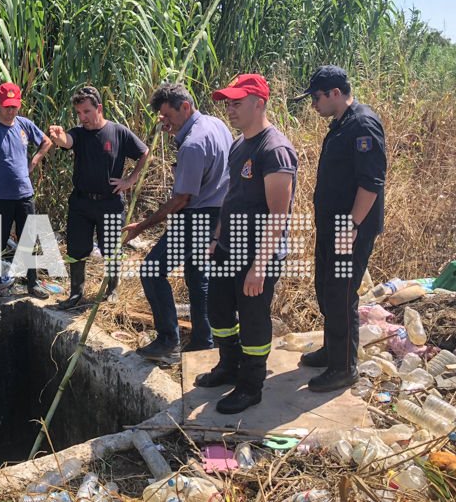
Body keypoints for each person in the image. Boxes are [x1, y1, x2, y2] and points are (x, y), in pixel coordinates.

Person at [195, 74, 298, 414]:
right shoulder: (240, 144)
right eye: (228, 103)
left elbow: (278, 215)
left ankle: (251, 386)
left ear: (260, 103)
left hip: (257, 253)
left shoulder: (275, 150)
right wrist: (216, 237)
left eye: (237, 103)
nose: (230, 109)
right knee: (219, 310)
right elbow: (231, 195)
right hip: (229, 246)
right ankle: (229, 365)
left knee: (253, 318)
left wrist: (259, 267)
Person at [122, 83, 232, 364]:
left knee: (151, 270)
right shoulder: (215, 124)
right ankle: (203, 343)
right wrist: (173, 132)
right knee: (198, 278)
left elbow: (181, 199)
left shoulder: (193, 143)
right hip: (217, 213)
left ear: (185, 106)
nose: (165, 122)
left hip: (196, 216)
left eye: (168, 116)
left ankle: (169, 340)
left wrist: (141, 226)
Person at [293, 65, 387, 391]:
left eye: (316, 97)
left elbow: (371, 184)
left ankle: (344, 368)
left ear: (335, 93)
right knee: (325, 287)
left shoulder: (362, 123)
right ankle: (333, 350)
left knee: (341, 293)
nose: (313, 104)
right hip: (333, 226)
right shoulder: (342, 123)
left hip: (351, 228)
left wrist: (352, 224)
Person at [49, 86, 150, 309]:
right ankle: (76, 294)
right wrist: (59, 137)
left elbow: (144, 152)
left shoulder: (118, 132)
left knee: (112, 248)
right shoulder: (78, 133)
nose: (82, 117)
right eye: (78, 113)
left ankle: (112, 290)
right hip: (81, 203)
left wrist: (130, 180)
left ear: (99, 108)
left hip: (110, 203)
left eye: (86, 112)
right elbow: (68, 141)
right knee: (76, 249)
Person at [0, 82, 53, 306]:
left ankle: (32, 283)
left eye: (14, 106)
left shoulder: (25, 125)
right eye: (6, 106)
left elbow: (46, 141)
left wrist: (34, 161)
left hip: (24, 195)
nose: (11, 111)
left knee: (29, 240)